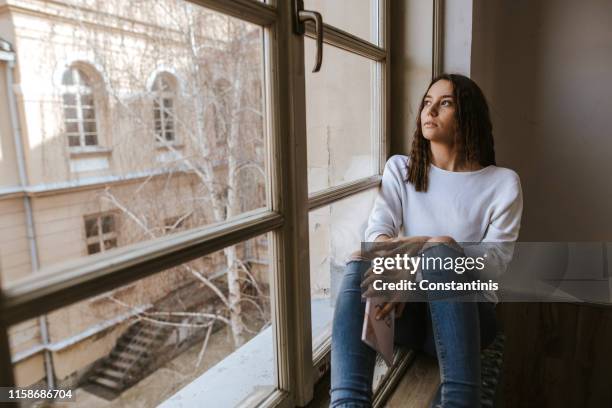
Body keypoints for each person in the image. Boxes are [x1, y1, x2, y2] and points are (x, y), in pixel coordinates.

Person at [330, 73, 523, 408]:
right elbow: (377, 236)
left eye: (445, 103)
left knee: (442, 254)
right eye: (426, 103)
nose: (430, 111)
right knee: (360, 261)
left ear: (469, 115)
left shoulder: (502, 183)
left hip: (468, 320)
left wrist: (430, 255)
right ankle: (347, 403)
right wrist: (415, 262)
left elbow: (494, 264)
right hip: (408, 315)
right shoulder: (401, 169)